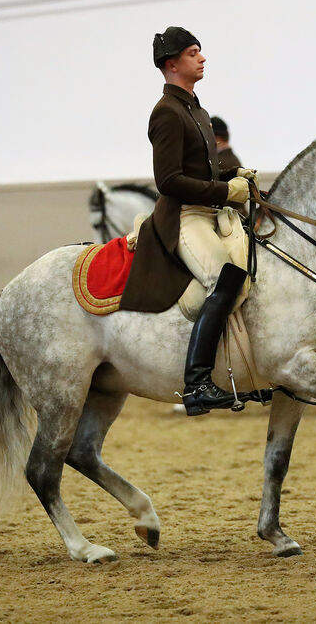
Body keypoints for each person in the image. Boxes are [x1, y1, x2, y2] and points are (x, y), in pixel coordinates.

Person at [121, 26, 257, 416]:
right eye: (194, 53)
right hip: (184, 217)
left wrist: (235, 180)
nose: (202, 58)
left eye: (201, 52)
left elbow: (201, 171)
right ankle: (197, 383)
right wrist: (224, 192)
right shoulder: (166, 112)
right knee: (225, 278)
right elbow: (169, 181)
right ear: (172, 63)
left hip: (212, 213)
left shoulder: (195, 108)